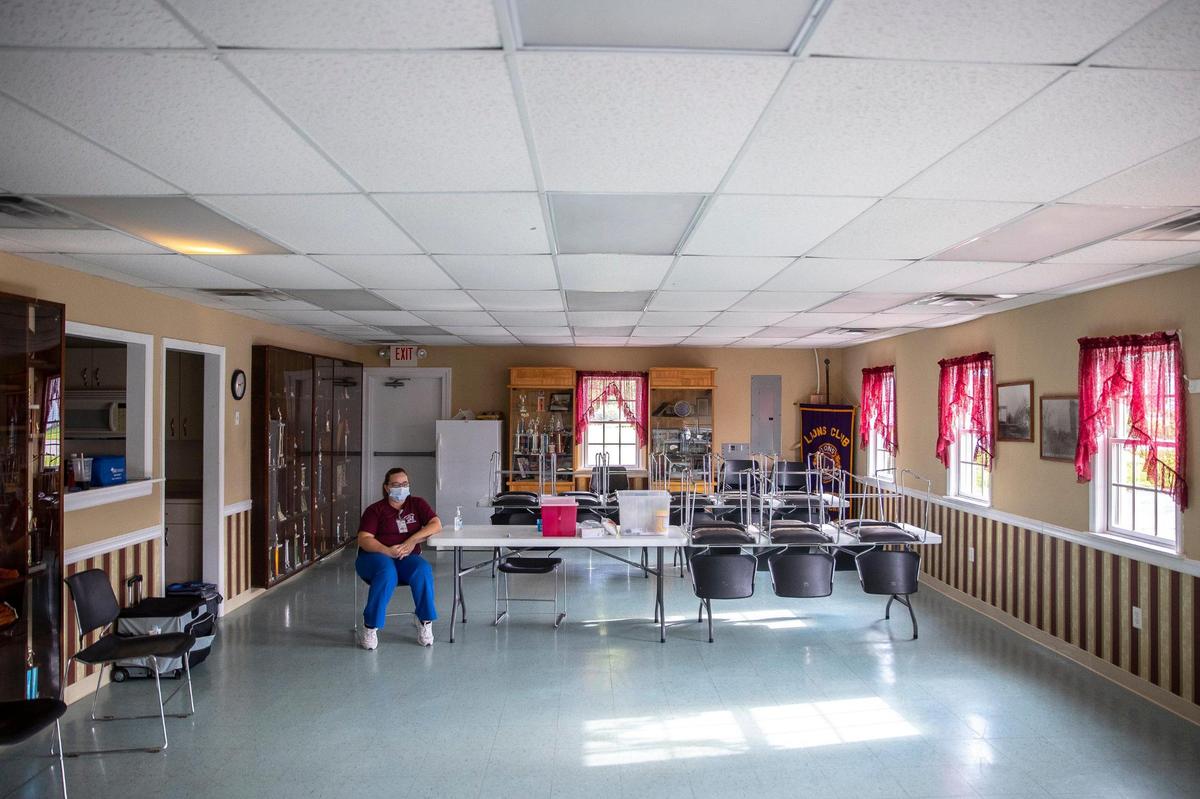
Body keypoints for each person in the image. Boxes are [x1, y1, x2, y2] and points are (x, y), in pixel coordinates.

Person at [356, 467, 441, 649]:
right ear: (387, 488)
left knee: (423, 570)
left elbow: (436, 524)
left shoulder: (417, 504)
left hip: (405, 556)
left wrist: (412, 541)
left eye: (405, 484)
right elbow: (364, 539)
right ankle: (370, 626)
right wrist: (387, 551)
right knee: (387, 573)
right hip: (374, 557)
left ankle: (425, 622)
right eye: (396, 485)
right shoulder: (375, 510)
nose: (401, 488)